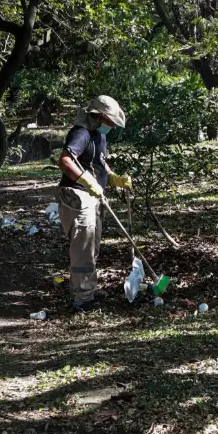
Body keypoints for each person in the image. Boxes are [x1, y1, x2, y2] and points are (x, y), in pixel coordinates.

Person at [57, 96, 131, 310]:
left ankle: (87, 288)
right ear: (97, 116)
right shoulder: (81, 132)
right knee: (83, 248)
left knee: (92, 246)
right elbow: (65, 160)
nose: (111, 126)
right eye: (109, 121)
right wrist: (86, 181)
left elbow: (99, 161)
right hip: (77, 196)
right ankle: (82, 299)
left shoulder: (99, 135)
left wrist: (114, 177)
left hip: (93, 196)